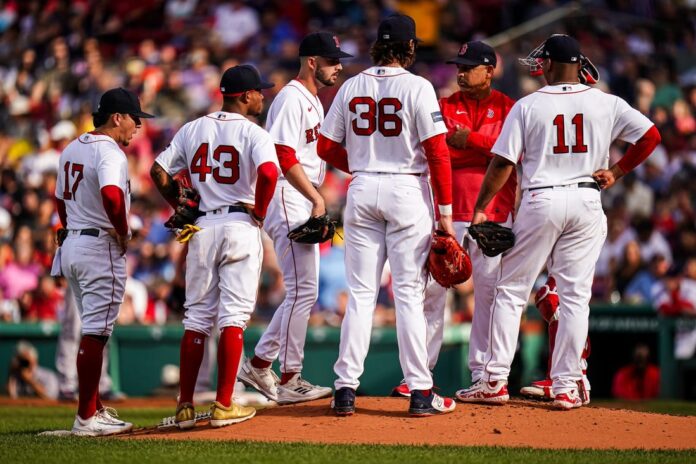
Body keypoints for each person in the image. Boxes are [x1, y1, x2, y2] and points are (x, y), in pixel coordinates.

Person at [470, 34, 661, 410]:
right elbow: (651, 136)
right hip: (587, 198)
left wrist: (481, 206)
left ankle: (494, 381)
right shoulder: (606, 101)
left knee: (511, 290)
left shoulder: (528, 104)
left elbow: (503, 163)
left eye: (543, 61)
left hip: (542, 198)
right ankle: (565, 386)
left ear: (551, 64)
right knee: (575, 298)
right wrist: (617, 171)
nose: (539, 67)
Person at [317, 14, 456, 417]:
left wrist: (362, 166)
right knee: (408, 294)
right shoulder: (418, 86)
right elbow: (438, 153)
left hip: (362, 188)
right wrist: (446, 214)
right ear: (409, 47)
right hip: (406, 189)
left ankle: (344, 389)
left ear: (378, 45)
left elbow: (325, 146)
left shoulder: (351, 85)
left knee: (361, 294)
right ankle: (420, 390)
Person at [151, 64, 279, 429]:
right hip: (239, 223)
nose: (262, 96)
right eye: (258, 91)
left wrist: (179, 204)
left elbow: (158, 171)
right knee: (233, 318)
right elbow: (269, 173)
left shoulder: (193, 128)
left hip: (203, 225)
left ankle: (185, 406)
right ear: (244, 96)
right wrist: (262, 210)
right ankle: (224, 404)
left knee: (196, 319)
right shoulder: (254, 132)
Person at [387, 41, 516, 401]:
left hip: (494, 213)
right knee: (431, 293)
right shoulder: (443, 105)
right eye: (458, 67)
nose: (460, 72)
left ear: (489, 71)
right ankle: (419, 374)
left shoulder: (509, 107)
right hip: (446, 212)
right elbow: (439, 154)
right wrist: (485, 150)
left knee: (489, 294)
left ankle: (485, 376)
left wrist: (468, 140)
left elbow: (510, 156)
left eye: (468, 67)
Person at [237, 32, 352, 405]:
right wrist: (316, 197)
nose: (338, 67)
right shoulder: (291, 98)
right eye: (332, 60)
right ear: (312, 62)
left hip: (299, 193)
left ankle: (260, 363)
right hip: (289, 194)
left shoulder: (313, 100)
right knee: (303, 290)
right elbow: (282, 155)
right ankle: (288, 376)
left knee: (304, 291)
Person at [54, 87, 154, 435]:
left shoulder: (72, 147)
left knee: (91, 330)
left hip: (73, 243)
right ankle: (86, 418)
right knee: (96, 334)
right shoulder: (110, 151)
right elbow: (112, 195)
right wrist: (123, 231)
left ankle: (94, 408)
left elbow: (60, 201)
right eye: (134, 119)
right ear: (117, 117)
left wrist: (72, 228)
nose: (138, 126)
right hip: (99, 246)